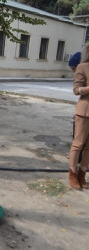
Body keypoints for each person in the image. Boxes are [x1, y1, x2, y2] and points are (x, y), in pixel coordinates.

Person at [68, 44, 89, 189]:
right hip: (85, 110)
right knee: (78, 143)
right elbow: (76, 90)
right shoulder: (82, 67)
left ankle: (83, 173)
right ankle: (72, 173)